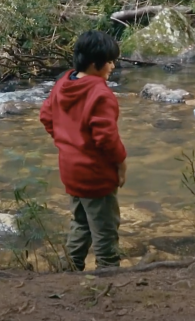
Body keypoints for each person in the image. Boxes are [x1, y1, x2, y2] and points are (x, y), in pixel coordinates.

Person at [39, 30, 127, 271]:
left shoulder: (63, 83)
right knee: (105, 229)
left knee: (80, 223)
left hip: (70, 168)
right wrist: (121, 163)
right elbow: (106, 139)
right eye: (109, 61)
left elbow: (46, 116)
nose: (112, 66)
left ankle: (68, 270)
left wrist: (66, 141)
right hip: (95, 173)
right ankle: (108, 274)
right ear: (94, 63)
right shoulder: (100, 93)